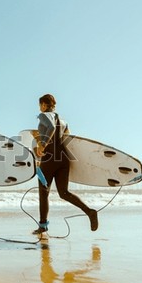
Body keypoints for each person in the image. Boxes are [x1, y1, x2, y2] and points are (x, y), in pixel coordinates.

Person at [32, 94, 98, 234]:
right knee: (64, 193)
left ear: (44, 105)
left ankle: (43, 225)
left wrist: (42, 144)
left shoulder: (44, 115)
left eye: (40, 105)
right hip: (63, 159)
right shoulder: (64, 122)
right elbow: (69, 141)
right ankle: (90, 211)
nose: (40, 108)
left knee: (44, 193)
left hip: (49, 158)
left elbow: (50, 128)